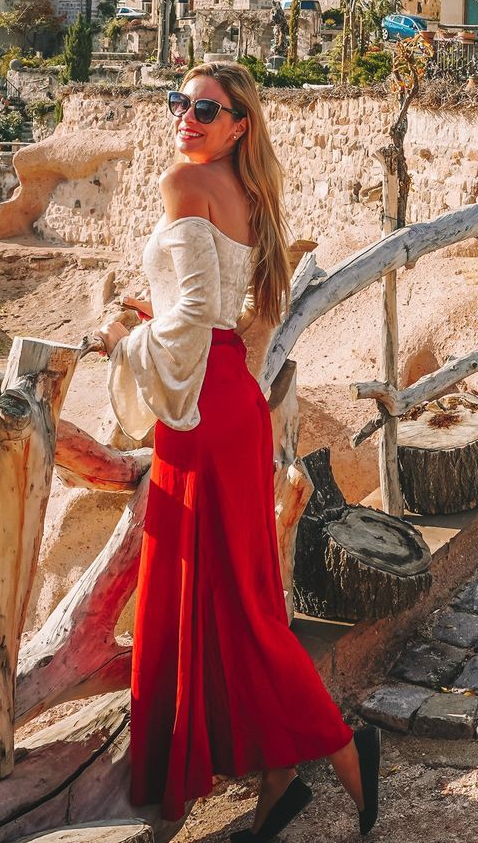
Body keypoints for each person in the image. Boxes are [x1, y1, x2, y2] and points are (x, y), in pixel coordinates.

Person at [95, 62, 381, 838]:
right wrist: (168, 320)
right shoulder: (250, 196)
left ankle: (344, 745)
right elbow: (226, 310)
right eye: (178, 102)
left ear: (237, 124)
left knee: (228, 605)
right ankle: (281, 778)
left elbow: (191, 314)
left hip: (203, 414)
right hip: (233, 404)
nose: (186, 117)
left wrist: (125, 340)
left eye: (205, 109)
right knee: (239, 598)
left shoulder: (181, 185)